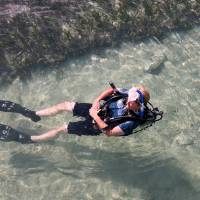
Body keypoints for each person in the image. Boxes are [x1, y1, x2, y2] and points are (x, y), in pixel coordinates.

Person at [29, 84, 152, 142]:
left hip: (96, 126)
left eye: (132, 98)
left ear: (139, 103)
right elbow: (111, 90)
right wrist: (97, 100)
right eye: (130, 95)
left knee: (62, 128)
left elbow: (109, 133)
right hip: (97, 109)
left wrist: (94, 116)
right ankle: (35, 114)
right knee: (65, 105)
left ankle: (33, 139)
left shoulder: (131, 122)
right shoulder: (127, 96)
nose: (129, 98)